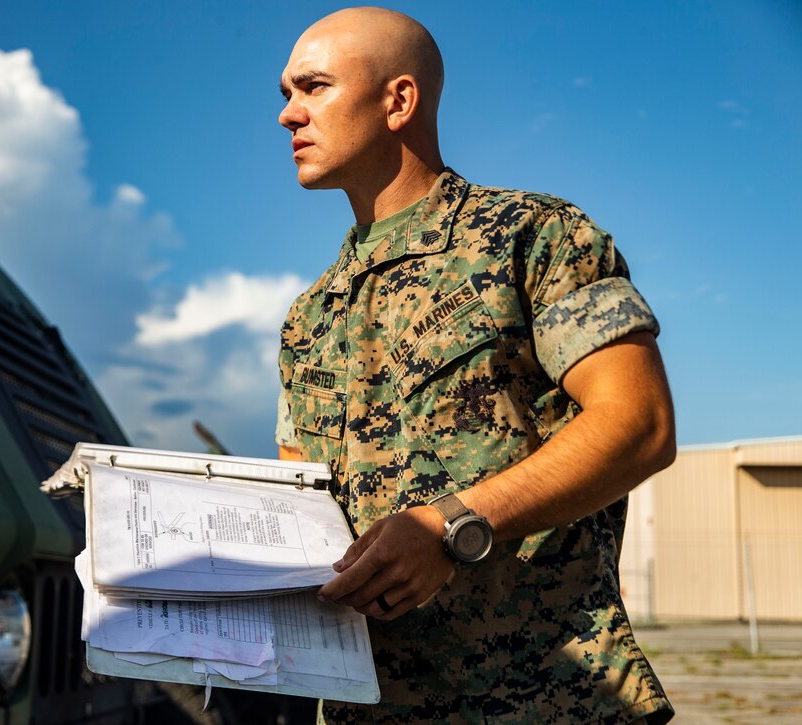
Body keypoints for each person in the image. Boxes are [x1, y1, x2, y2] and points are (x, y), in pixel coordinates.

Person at [275, 7, 676, 723]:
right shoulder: (309, 317)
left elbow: (638, 422)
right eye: (286, 94)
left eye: (312, 87)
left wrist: (448, 526)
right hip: (365, 706)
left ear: (398, 100)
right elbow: (299, 506)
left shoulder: (532, 236)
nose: (288, 115)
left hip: (546, 699)